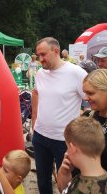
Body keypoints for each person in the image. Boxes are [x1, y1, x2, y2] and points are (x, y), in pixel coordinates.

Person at [31, 37, 87, 194]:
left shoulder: (77, 73)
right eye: (38, 55)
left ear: (56, 51)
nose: (40, 59)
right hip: (40, 136)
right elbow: (35, 92)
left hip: (65, 141)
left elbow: (91, 98)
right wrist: (34, 118)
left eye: (43, 55)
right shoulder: (41, 73)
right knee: (42, 179)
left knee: (68, 181)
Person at [57, 116, 107, 194]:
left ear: (73, 148)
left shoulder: (86, 189)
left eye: (67, 147)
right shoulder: (106, 177)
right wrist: (64, 173)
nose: (66, 152)